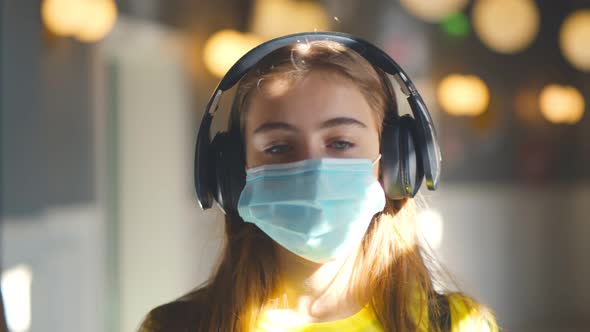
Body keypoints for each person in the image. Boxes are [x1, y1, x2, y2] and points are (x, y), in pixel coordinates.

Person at [139, 33, 498, 332]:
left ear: (394, 163)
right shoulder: (173, 327)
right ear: (233, 174)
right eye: (279, 147)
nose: (313, 170)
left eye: (340, 143)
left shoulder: (459, 325)